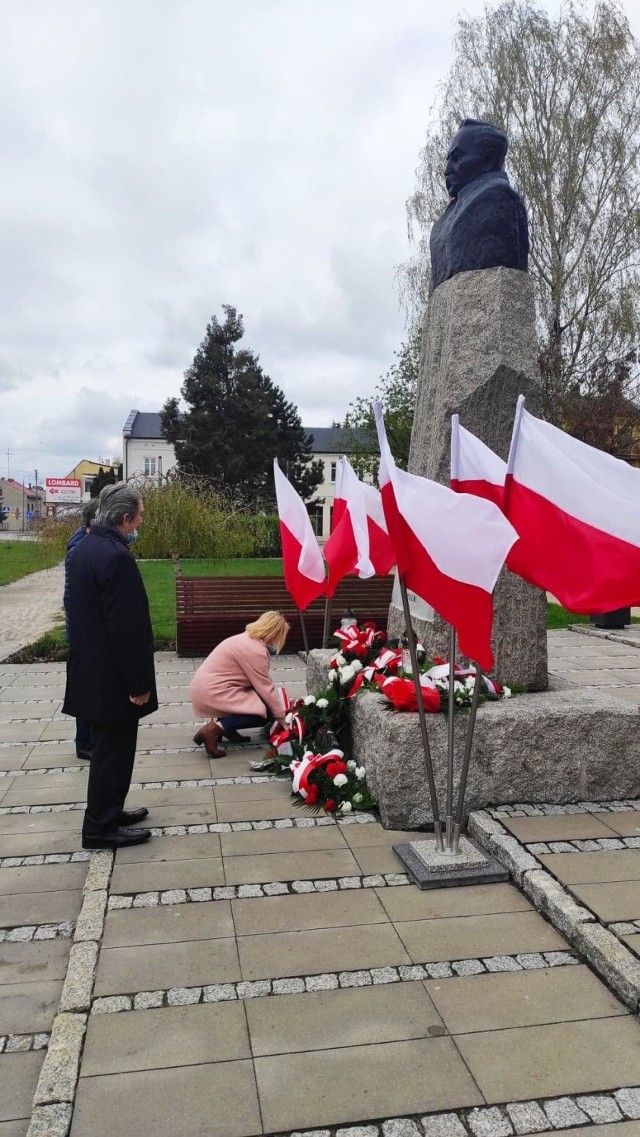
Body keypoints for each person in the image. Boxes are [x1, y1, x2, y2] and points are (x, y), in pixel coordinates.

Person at [62, 482, 158, 849]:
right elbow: (126, 627)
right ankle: (100, 826)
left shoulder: (85, 547)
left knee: (109, 750)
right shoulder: (115, 557)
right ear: (124, 518)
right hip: (113, 676)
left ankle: (110, 810)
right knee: (112, 752)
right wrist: (138, 683)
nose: (140, 522)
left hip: (92, 667)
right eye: (139, 516)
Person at [429, 118, 529, 290]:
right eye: (448, 159)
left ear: (488, 158)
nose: (447, 170)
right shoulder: (449, 215)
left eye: (457, 157)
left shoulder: (500, 200)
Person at [190, 611, 290, 758]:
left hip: (206, 688)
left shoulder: (245, 639)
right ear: (273, 633)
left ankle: (227, 728)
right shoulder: (256, 650)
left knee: (256, 702)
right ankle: (215, 730)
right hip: (215, 691)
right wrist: (284, 720)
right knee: (264, 712)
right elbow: (265, 688)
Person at [64, 497, 99, 761]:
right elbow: (75, 598)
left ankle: (89, 740)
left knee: (89, 687)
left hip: (84, 631)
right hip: (84, 634)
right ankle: (85, 743)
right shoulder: (80, 549)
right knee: (86, 688)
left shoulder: (81, 542)